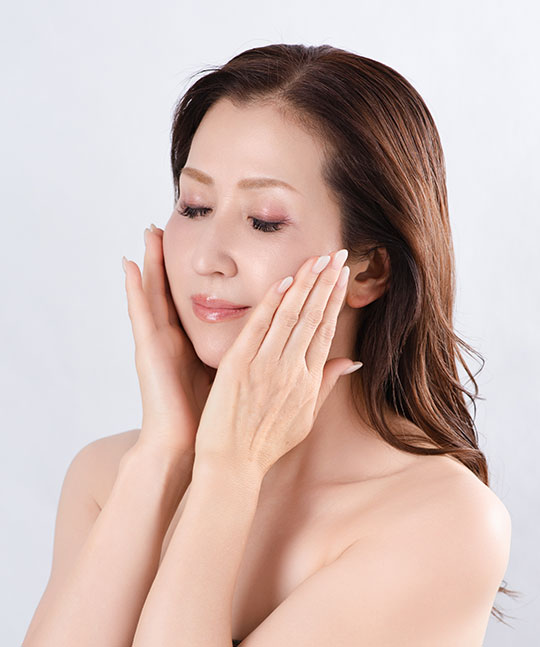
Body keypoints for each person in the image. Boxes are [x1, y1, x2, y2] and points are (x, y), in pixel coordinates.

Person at [22, 44, 516, 647]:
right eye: (194, 207)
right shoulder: (110, 475)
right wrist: (163, 457)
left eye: (264, 221)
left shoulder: (441, 524)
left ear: (367, 270)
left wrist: (229, 474)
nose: (206, 258)